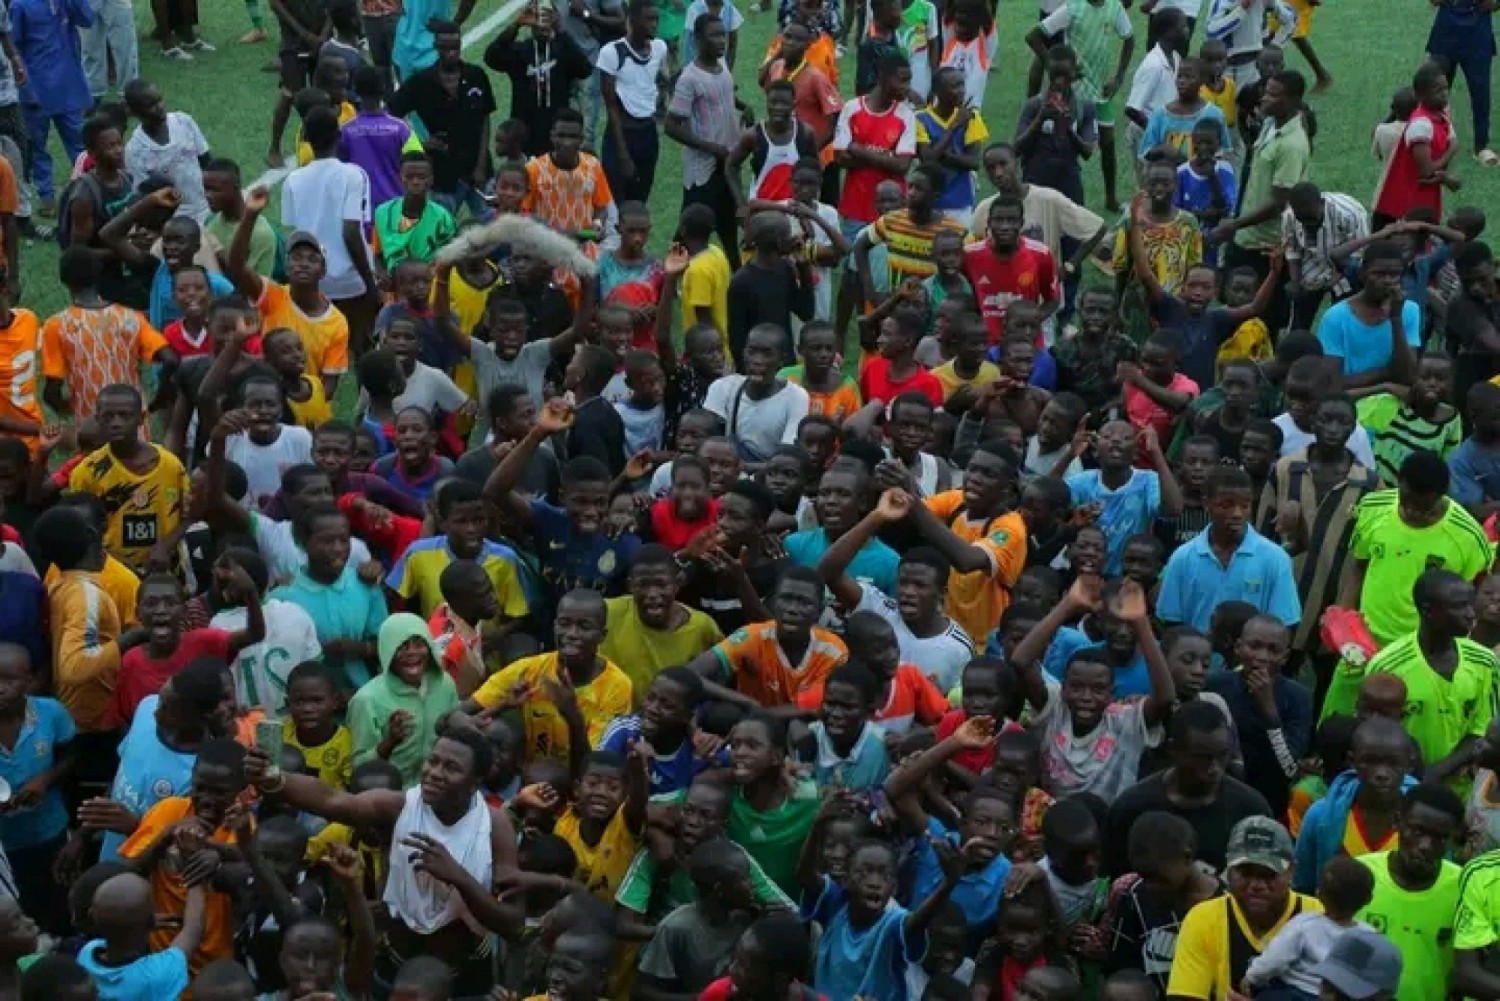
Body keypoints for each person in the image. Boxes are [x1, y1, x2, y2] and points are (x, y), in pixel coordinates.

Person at [243, 728, 524, 997]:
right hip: (396, 967)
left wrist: (458, 877)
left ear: (475, 781)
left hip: (466, 974)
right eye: (433, 761)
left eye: (451, 768)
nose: (434, 773)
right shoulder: (400, 807)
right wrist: (275, 779)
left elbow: (512, 924)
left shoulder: (494, 825)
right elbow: (333, 800)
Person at [1337, 450, 1491, 647]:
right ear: (1399, 482)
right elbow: (1359, 566)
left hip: (1423, 650)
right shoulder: (1372, 507)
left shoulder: (1469, 536)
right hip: (1363, 641)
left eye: (1422, 507)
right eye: (1406, 500)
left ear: (1441, 495)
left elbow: (1475, 596)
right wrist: (1343, 618)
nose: (1410, 510)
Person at [1104, 699, 1270, 876]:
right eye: (1202, 758)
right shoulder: (1132, 807)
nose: (1214, 768)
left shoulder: (1250, 809)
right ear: (1173, 750)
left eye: (1222, 755)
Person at [1165, 817, 1321, 1000]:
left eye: (1269, 874)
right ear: (1229, 870)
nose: (1257, 885)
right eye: (1246, 873)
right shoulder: (1203, 919)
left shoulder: (1318, 916)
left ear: (1291, 871)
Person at [1356, 782, 1465, 1001]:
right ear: (1397, 822)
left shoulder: (1464, 888)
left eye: (1439, 838)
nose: (1426, 845)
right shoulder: (1359, 875)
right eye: (1417, 831)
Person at [1243, 856, 1376, 998]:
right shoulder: (1369, 935)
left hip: (1294, 993)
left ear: (1319, 893)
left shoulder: (1305, 924)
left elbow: (1275, 959)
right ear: (1368, 900)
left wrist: (1252, 977)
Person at [598, 0, 669, 205]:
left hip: (648, 134)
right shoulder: (611, 53)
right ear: (633, 20)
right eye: (649, 19)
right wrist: (622, 153)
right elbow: (611, 104)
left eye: (656, 19)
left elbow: (660, 78)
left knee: (640, 200)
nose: (654, 24)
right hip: (621, 135)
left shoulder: (659, 48)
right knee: (616, 202)